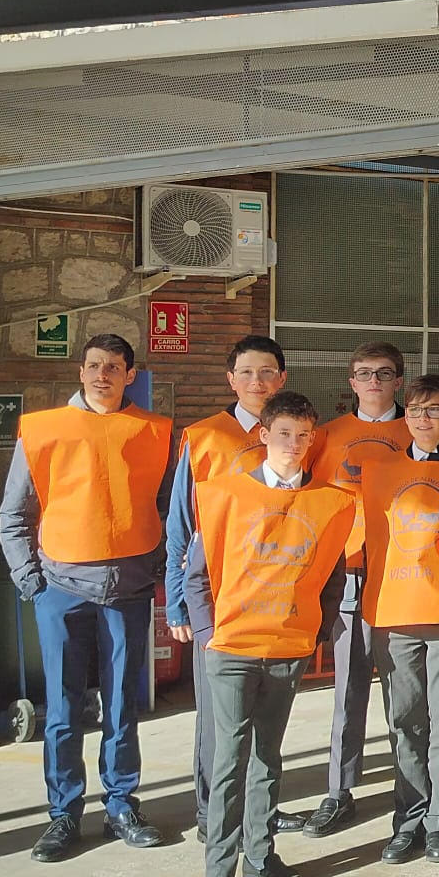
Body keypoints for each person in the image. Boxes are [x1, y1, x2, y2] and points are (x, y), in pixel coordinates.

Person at [0, 334, 174, 861]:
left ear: (129, 374)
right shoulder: (44, 430)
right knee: (63, 705)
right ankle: (64, 814)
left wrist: (157, 569)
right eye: (94, 365)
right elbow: (12, 515)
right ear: (81, 371)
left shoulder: (155, 432)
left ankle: (121, 804)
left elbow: (172, 510)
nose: (103, 375)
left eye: (114, 367)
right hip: (61, 587)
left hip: (128, 589)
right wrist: (31, 581)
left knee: (123, 702)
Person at [185, 391, 355, 877]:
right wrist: (211, 632)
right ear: (263, 435)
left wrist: (317, 632)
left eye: (305, 436)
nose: (295, 445)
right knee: (229, 758)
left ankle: (260, 855)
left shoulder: (330, 502)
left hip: (287, 648)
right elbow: (196, 571)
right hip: (233, 647)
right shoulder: (222, 494)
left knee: (267, 757)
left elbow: (331, 576)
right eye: (285, 434)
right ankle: (218, 874)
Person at [164, 334, 304, 842]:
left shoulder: (296, 436)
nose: (257, 382)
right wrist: (178, 599)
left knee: (266, 717)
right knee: (218, 718)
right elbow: (181, 524)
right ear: (230, 379)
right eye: (246, 373)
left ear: (282, 378)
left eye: (267, 372)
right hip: (217, 599)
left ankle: (260, 811)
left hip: (274, 597)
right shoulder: (203, 438)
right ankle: (213, 815)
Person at [358, 374, 439, 865]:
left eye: (433, 410)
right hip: (395, 611)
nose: (422, 418)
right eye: (414, 410)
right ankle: (408, 819)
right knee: (404, 722)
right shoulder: (380, 470)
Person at [303, 341, 412, 838]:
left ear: (398, 381)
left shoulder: (418, 430)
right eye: (364, 374)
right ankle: (339, 791)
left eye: (383, 374)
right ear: (351, 382)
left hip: (404, 578)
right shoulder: (326, 437)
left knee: (404, 695)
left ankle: (410, 796)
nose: (373, 382)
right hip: (346, 574)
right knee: (348, 693)